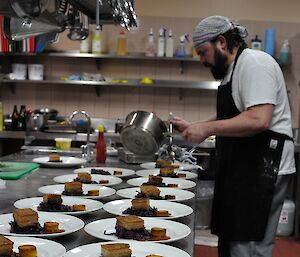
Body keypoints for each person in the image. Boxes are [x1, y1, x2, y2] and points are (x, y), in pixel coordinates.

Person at [171, 16, 296, 257]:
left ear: (221, 42)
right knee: (231, 239)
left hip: (264, 169)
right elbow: (235, 116)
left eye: (203, 51)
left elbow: (259, 119)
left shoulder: (254, 63)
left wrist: (207, 129)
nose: (202, 60)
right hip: (244, 167)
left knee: (248, 244)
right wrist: (194, 126)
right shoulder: (233, 71)